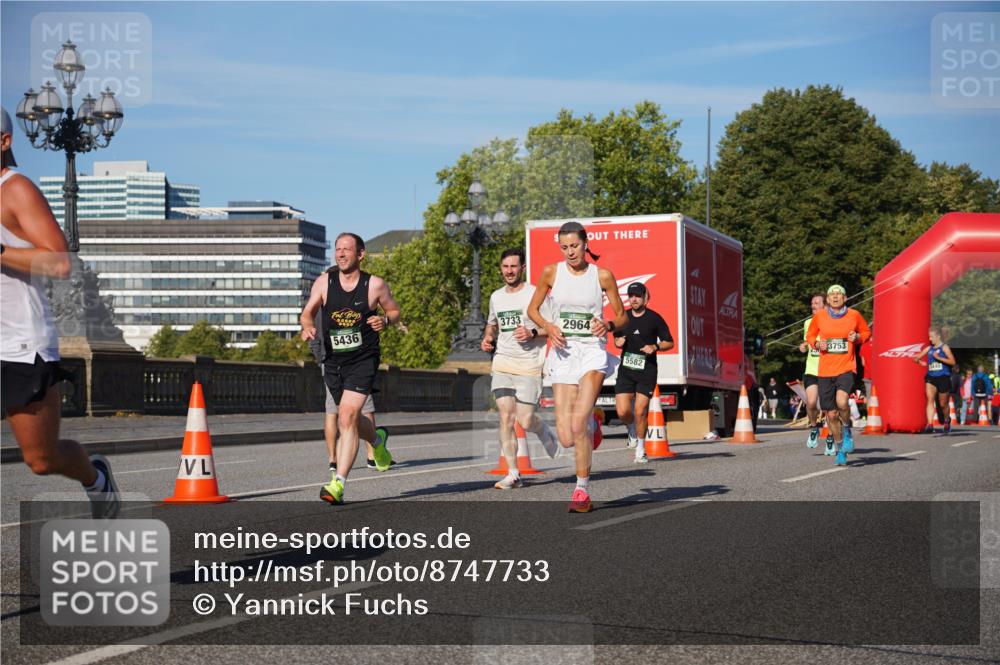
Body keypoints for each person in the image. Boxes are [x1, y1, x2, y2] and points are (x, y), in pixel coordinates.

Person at [0, 107, 120, 519]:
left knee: (42, 459)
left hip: (18, 343)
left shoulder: (15, 190)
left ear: (4, 142)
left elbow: (59, 262)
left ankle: (95, 478)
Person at [527, 222, 627, 512]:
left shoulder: (602, 275)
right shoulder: (551, 272)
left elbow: (622, 318)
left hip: (592, 352)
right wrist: (548, 325)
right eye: (564, 247)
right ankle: (595, 420)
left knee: (577, 423)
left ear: (585, 244)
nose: (570, 252)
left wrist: (607, 324)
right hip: (563, 352)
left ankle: (581, 490)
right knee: (567, 436)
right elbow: (532, 310)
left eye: (574, 245)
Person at [300, 232, 400, 504]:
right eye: (338, 249)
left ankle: (338, 484)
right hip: (334, 362)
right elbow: (308, 312)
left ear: (361, 254)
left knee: (346, 416)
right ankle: (378, 441)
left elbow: (394, 311)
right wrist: (307, 325)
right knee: (353, 419)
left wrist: (385, 322)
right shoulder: (323, 282)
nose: (341, 254)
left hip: (363, 359)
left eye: (347, 249)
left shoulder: (374, 285)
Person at [481, 248, 559, 489]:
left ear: (522, 268)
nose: (509, 271)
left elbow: (554, 327)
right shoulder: (496, 297)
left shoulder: (535, 295)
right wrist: (488, 338)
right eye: (505, 267)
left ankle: (543, 430)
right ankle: (513, 473)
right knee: (505, 416)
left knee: (524, 421)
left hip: (529, 365)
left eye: (514, 266)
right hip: (503, 361)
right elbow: (492, 324)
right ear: (501, 269)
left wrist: (532, 332)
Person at [308, 297, 393, 472]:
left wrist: (321, 358)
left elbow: (313, 337)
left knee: (335, 412)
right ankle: (371, 455)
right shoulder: (350, 300)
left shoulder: (319, 302)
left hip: (351, 365)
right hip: (340, 363)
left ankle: (334, 461)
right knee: (356, 411)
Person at [806, 284, 871, 465]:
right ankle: (840, 448)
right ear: (827, 299)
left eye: (839, 294)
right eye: (832, 294)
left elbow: (866, 332)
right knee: (832, 415)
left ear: (845, 298)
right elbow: (810, 336)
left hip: (846, 367)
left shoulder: (854, 315)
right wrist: (817, 345)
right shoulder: (820, 316)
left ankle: (848, 429)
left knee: (842, 401)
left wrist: (858, 338)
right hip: (825, 370)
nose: (835, 297)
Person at [612, 282, 673, 464]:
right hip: (626, 370)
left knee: (640, 411)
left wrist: (655, 346)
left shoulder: (654, 318)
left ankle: (640, 448)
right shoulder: (623, 318)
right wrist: (618, 341)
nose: (634, 299)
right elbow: (616, 338)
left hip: (647, 370)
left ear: (645, 297)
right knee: (623, 411)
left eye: (637, 296)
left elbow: (669, 342)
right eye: (631, 296)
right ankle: (630, 427)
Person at [913, 327, 956, 434]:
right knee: (930, 399)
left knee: (943, 404)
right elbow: (916, 358)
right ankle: (930, 424)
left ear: (938, 336)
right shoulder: (929, 349)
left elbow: (953, 362)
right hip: (931, 377)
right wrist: (919, 361)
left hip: (943, 377)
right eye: (929, 336)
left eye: (931, 337)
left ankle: (946, 421)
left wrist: (939, 358)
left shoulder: (944, 348)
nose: (930, 339)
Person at [798, 293, 826, 448]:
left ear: (825, 305)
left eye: (816, 302)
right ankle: (814, 427)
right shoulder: (808, 323)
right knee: (811, 402)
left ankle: (831, 435)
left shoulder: (832, 322)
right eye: (812, 303)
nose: (813, 305)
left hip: (828, 369)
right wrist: (803, 346)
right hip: (811, 369)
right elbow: (807, 341)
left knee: (830, 408)